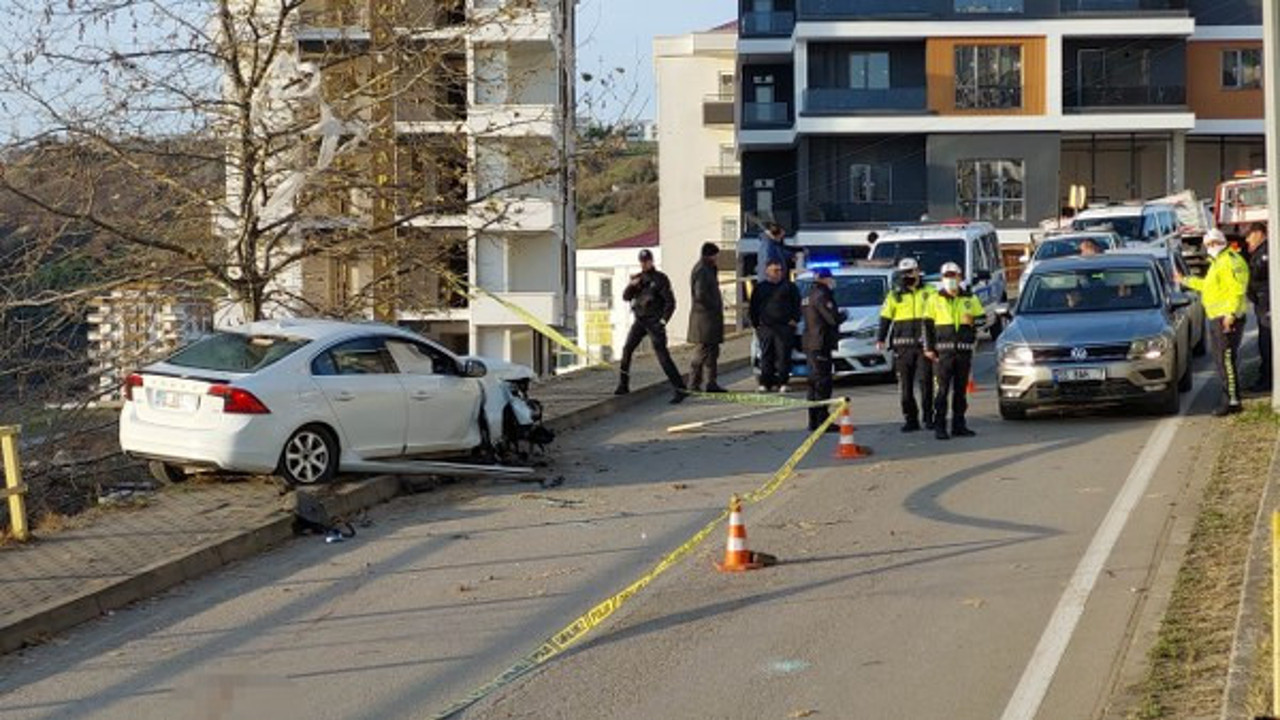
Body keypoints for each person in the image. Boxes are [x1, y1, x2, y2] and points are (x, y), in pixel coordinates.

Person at [1176, 230, 1250, 416]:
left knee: (1226, 360)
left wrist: (1230, 314)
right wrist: (1184, 280)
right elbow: (1207, 286)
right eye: (1206, 245)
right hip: (1217, 318)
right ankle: (1230, 397)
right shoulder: (1217, 262)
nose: (1208, 248)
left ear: (1219, 242)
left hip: (1227, 319)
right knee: (1221, 361)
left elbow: (1237, 289)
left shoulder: (1230, 261)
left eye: (1210, 244)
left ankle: (1232, 401)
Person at [616, 249, 688, 404]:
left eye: (647, 261)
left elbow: (671, 303)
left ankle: (680, 388)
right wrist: (632, 286)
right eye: (642, 261)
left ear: (651, 261)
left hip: (654, 321)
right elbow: (625, 297)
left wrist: (663, 321)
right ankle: (623, 384)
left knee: (662, 356)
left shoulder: (660, 279)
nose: (644, 263)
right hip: (640, 320)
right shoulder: (639, 279)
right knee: (627, 349)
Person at [924, 262, 984, 440]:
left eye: (953, 276)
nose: (950, 279)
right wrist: (928, 348)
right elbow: (926, 326)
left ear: (960, 277)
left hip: (963, 352)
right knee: (942, 391)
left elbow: (983, 320)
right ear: (942, 279)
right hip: (943, 353)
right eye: (946, 276)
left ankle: (959, 425)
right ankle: (940, 426)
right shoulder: (934, 299)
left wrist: (972, 320)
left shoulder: (969, 298)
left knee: (960, 391)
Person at [877, 258, 938, 431]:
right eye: (904, 273)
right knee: (905, 385)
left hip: (924, 346)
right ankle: (911, 419)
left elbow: (938, 315)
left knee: (926, 382)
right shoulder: (895, 295)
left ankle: (929, 417)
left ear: (918, 271)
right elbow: (885, 318)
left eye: (911, 271)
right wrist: (880, 338)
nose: (908, 276)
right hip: (903, 348)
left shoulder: (930, 291)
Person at [802, 268, 847, 432]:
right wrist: (843, 316)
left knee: (813, 384)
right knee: (822, 383)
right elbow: (832, 318)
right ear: (825, 279)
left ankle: (814, 420)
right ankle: (822, 420)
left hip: (811, 343)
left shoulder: (808, 295)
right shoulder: (822, 295)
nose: (832, 281)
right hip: (820, 343)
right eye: (830, 278)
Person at [750, 259, 801, 393]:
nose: (778, 273)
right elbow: (753, 307)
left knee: (783, 355)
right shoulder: (760, 288)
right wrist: (756, 324)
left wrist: (794, 320)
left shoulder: (789, 287)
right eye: (775, 270)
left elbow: (797, 304)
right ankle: (765, 383)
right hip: (766, 328)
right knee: (766, 356)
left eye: (780, 270)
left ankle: (783, 382)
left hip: (784, 327)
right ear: (767, 271)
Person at [688, 242, 727, 394]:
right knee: (702, 351)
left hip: (710, 319)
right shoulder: (702, 271)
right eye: (715, 255)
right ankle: (693, 383)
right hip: (704, 319)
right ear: (709, 255)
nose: (717, 258)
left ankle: (711, 382)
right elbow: (700, 295)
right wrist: (713, 306)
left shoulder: (709, 269)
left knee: (712, 352)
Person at [1246, 223, 1271, 392]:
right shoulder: (1259, 251)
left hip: (1267, 301)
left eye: (1249, 235)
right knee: (1264, 341)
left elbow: (1258, 275)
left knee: (1267, 342)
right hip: (1262, 302)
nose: (1247, 239)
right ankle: (1265, 376)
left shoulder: (1266, 252)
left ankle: (1268, 379)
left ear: (1259, 233)